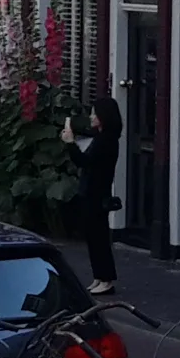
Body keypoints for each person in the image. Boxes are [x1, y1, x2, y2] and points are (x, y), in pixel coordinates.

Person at [72, 94, 125, 293]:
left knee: (99, 238)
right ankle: (98, 277)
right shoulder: (100, 138)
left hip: (97, 193)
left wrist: (70, 144)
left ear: (104, 116)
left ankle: (106, 279)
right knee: (93, 237)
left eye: (95, 113)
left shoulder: (107, 141)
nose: (92, 117)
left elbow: (85, 161)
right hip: (90, 192)